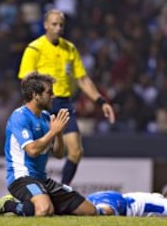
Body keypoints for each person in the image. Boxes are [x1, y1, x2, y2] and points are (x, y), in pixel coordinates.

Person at [18, 9, 115, 185]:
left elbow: (82, 79)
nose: (58, 28)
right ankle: (29, 191)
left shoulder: (69, 49)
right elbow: (25, 79)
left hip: (63, 103)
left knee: (76, 151)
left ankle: (63, 189)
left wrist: (100, 101)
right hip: (42, 105)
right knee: (37, 152)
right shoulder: (35, 48)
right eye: (54, 24)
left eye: (61, 24)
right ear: (45, 25)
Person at [0, 72, 96, 216]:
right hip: (21, 179)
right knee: (44, 209)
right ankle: (7, 205)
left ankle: (30, 207)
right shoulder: (19, 116)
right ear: (36, 95)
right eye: (49, 92)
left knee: (90, 211)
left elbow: (59, 154)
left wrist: (59, 133)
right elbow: (32, 150)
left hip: (42, 180)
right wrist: (53, 132)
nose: (53, 96)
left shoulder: (46, 117)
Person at [86, 190, 167, 217]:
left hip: (99, 197)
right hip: (115, 202)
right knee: (104, 212)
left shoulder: (151, 197)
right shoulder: (163, 204)